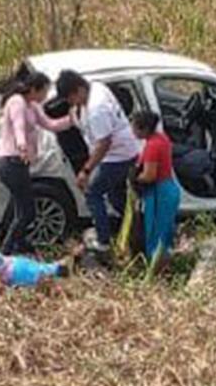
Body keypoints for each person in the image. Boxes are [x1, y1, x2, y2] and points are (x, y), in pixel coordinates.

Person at [55, 69, 140, 253]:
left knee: (93, 193)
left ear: (78, 90)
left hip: (118, 156)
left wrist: (86, 171)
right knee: (117, 197)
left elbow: (104, 144)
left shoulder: (96, 109)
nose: (70, 103)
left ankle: (103, 241)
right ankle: (137, 227)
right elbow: (76, 116)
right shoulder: (96, 87)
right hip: (122, 151)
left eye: (70, 98)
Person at [0, 71, 76, 254]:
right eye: (44, 92)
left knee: (21, 208)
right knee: (27, 211)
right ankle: (6, 251)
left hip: (21, 163)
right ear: (33, 89)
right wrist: (22, 147)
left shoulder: (33, 105)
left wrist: (72, 119)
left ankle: (20, 243)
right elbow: (18, 128)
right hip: (11, 161)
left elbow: (51, 125)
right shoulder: (17, 102)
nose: (45, 96)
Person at [131, 109, 180, 268]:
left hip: (159, 192)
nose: (132, 131)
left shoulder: (152, 146)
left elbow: (150, 175)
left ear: (144, 129)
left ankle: (157, 268)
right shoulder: (161, 139)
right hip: (168, 188)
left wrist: (134, 179)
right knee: (165, 231)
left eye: (134, 127)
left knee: (155, 234)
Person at [0, 243, 74, 294]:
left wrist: (10, 293)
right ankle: (62, 266)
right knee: (44, 269)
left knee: (41, 281)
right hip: (17, 262)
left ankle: (64, 288)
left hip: (16, 273)